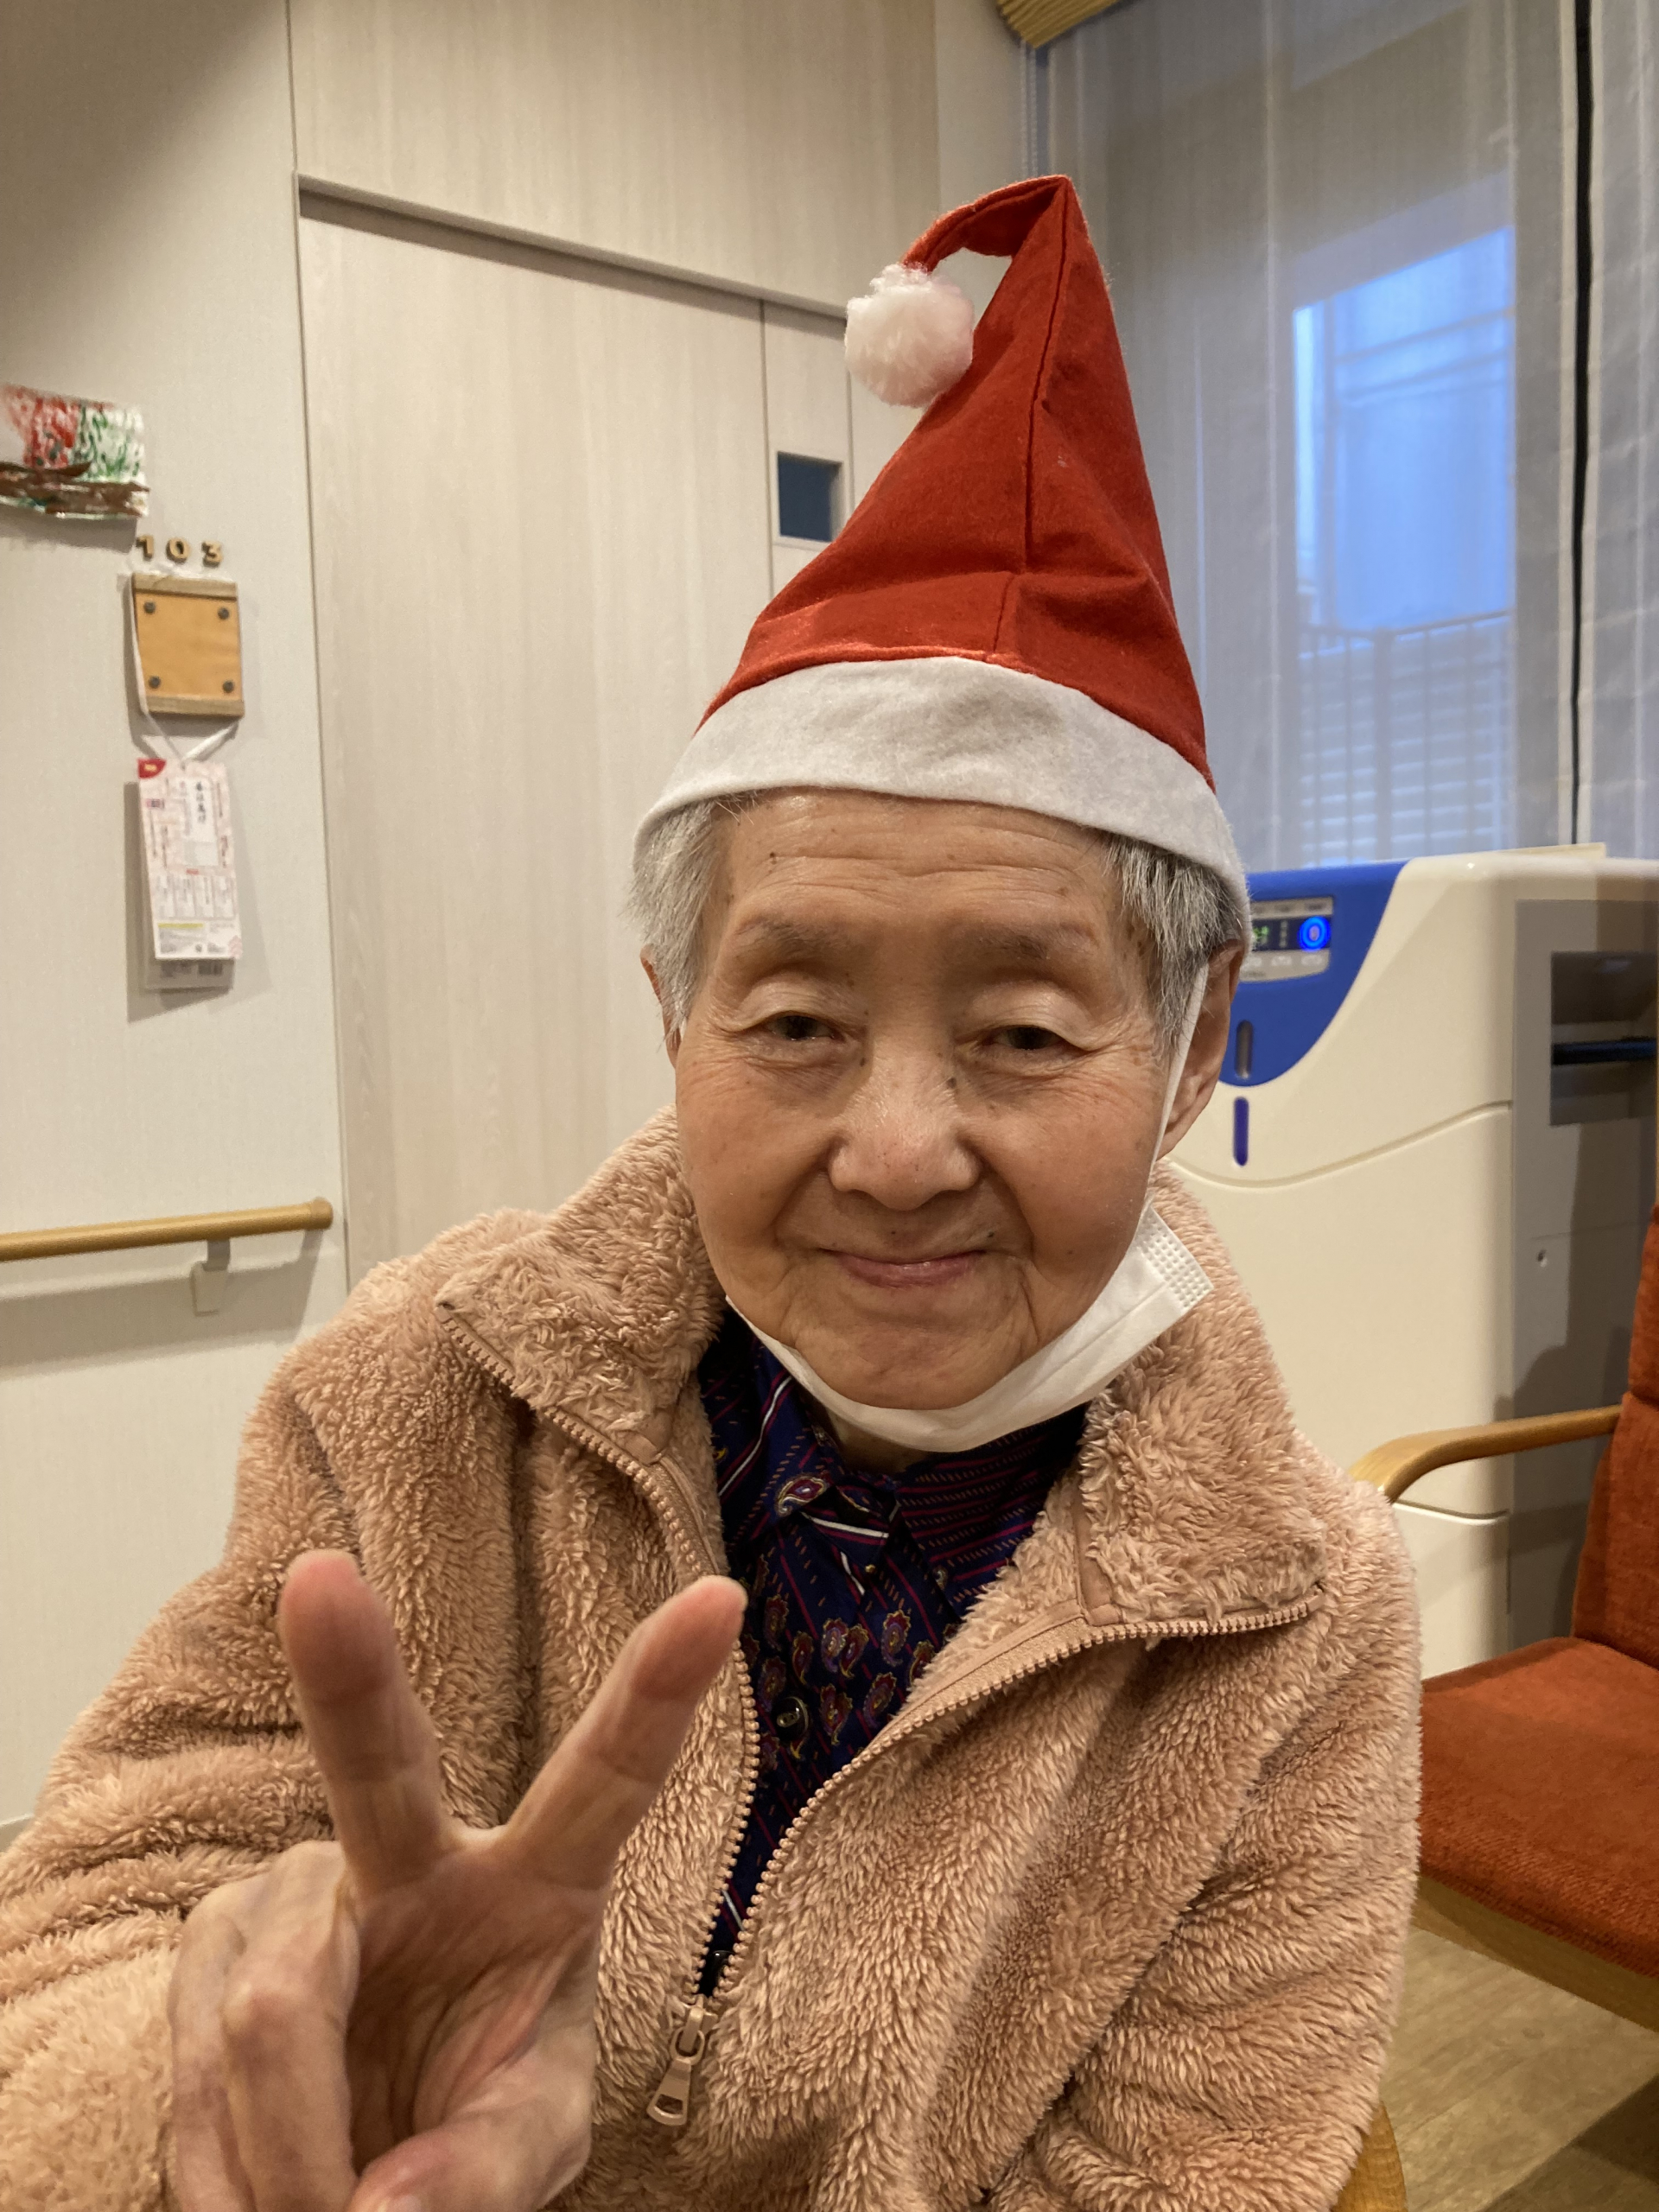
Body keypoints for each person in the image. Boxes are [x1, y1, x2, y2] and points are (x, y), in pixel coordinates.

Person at [0, 176, 1418, 2212]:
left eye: (1026, 1031)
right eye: (797, 1019)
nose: (900, 1149)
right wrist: (233, 2073)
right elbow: (72, 1943)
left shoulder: (1296, 1612)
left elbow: (1195, 2170)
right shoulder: (417, 1399)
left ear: (1194, 1052)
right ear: (675, 1013)